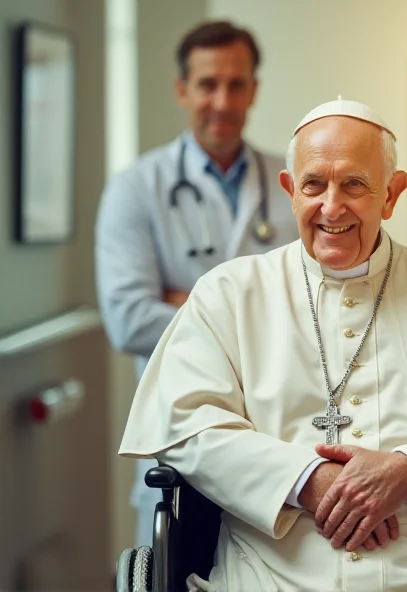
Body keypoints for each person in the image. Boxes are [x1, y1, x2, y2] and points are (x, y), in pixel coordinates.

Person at [118, 97, 407, 591]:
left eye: (354, 185)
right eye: (314, 185)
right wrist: (306, 481)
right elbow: (184, 419)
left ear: (391, 194)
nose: (331, 206)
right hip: (272, 568)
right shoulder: (227, 295)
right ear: (290, 191)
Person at [95, 20, 299, 548]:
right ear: (182, 89)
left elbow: (320, 304)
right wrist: (262, 314)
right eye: (208, 84)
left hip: (285, 437)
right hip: (179, 436)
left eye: (236, 84)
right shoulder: (136, 189)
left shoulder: (296, 185)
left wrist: (186, 302)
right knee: (175, 564)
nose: (222, 101)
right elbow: (129, 320)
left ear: (254, 89)